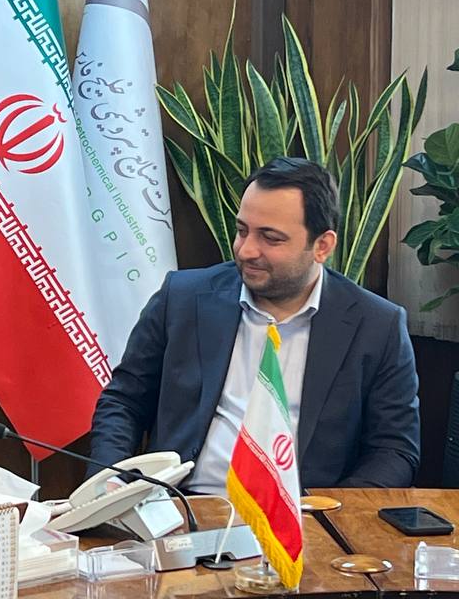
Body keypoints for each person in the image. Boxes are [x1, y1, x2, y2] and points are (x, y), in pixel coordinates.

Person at [90, 157, 420, 491]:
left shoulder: (377, 326)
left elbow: (394, 449)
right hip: (183, 504)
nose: (246, 250)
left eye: (270, 238)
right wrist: (110, 481)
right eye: (242, 230)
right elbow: (124, 402)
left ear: (322, 246)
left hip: (302, 513)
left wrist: (329, 513)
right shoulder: (182, 299)